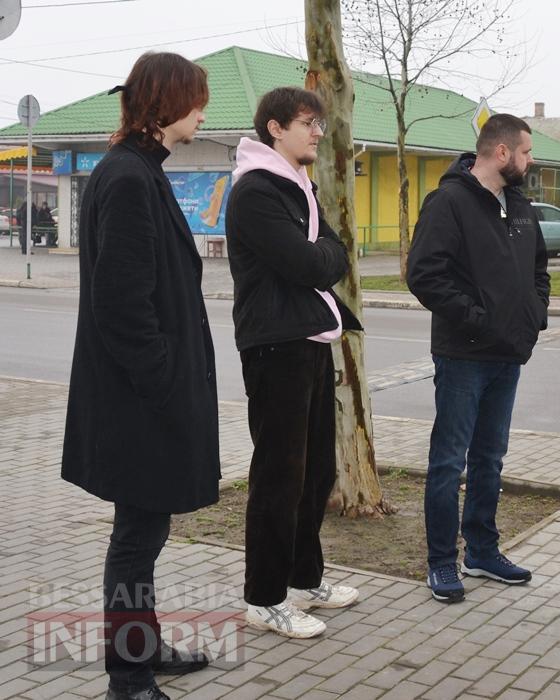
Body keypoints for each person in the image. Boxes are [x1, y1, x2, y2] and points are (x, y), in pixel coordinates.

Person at [61, 52, 218, 700]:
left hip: (142, 399)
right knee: (136, 539)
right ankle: (128, 678)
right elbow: (122, 306)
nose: (203, 113)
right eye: (197, 100)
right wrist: (163, 385)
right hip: (138, 404)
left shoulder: (136, 171)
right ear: (169, 103)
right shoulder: (127, 179)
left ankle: (143, 647)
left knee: (144, 533)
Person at [226, 87, 363, 638]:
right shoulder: (256, 191)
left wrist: (324, 258)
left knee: (316, 473)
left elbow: (335, 251)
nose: (317, 132)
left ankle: (305, 580)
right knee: (279, 476)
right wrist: (324, 258)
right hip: (275, 343)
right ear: (275, 128)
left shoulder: (298, 185)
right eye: (309, 122)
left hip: (308, 339)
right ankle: (263, 597)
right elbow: (311, 261)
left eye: (321, 124)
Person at [407, 113, 550, 603]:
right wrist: (477, 319)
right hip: (463, 356)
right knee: (449, 461)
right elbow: (425, 275)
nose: (531, 161)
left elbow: (538, 269)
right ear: (503, 152)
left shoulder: (520, 205)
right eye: (527, 152)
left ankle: (483, 551)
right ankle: (443, 562)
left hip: (507, 355)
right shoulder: (448, 202)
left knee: (490, 458)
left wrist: (534, 316)